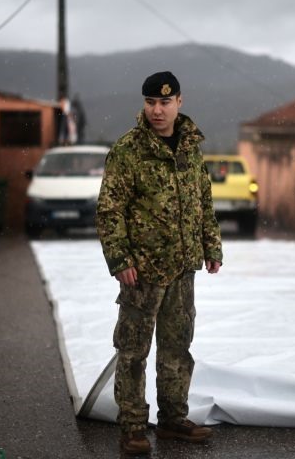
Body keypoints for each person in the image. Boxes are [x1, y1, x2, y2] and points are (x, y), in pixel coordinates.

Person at [96, 71, 223, 455]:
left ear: (179, 103)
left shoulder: (190, 149)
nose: (157, 110)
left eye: (165, 103)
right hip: (142, 272)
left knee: (177, 347)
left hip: (183, 267)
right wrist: (119, 257)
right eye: (151, 102)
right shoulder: (129, 150)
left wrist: (211, 245)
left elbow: (203, 200)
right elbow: (109, 209)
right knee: (134, 350)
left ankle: (172, 420)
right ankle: (133, 426)